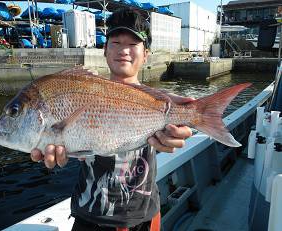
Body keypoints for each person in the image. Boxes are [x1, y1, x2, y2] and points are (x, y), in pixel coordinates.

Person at [31, 9, 193, 231]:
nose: (124, 50)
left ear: (146, 54)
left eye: (133, 44)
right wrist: (47, 148)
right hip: (88, 216)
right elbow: (68, 147)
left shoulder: (160, 101)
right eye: (116, 42)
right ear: (105, 49)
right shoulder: (82, 90)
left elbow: (174, 135)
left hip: (142, 217)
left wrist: (179, 129)